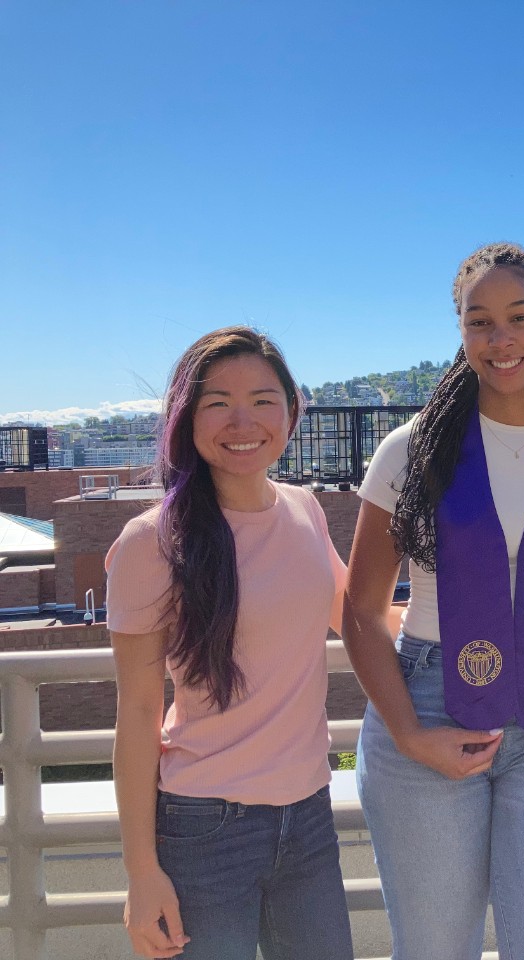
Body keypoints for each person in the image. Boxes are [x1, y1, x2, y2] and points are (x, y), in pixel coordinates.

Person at [343, 242, 524, 960]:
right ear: (462, 333)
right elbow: (361, 610)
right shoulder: (410, 451)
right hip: (428, 707)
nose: (501, 340)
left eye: (518, 318)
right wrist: (408, 733)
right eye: (480, 323)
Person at [108, 326, 353, 960]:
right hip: (202, 825)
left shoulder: (305, 510)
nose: (242, 421)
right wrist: (141, 872)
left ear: (292, 412)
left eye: (264, 400)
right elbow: (136, 712)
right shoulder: (151, 542)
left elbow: (359, 617)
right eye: (217, 402)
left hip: (308, 814)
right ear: (185, 417)